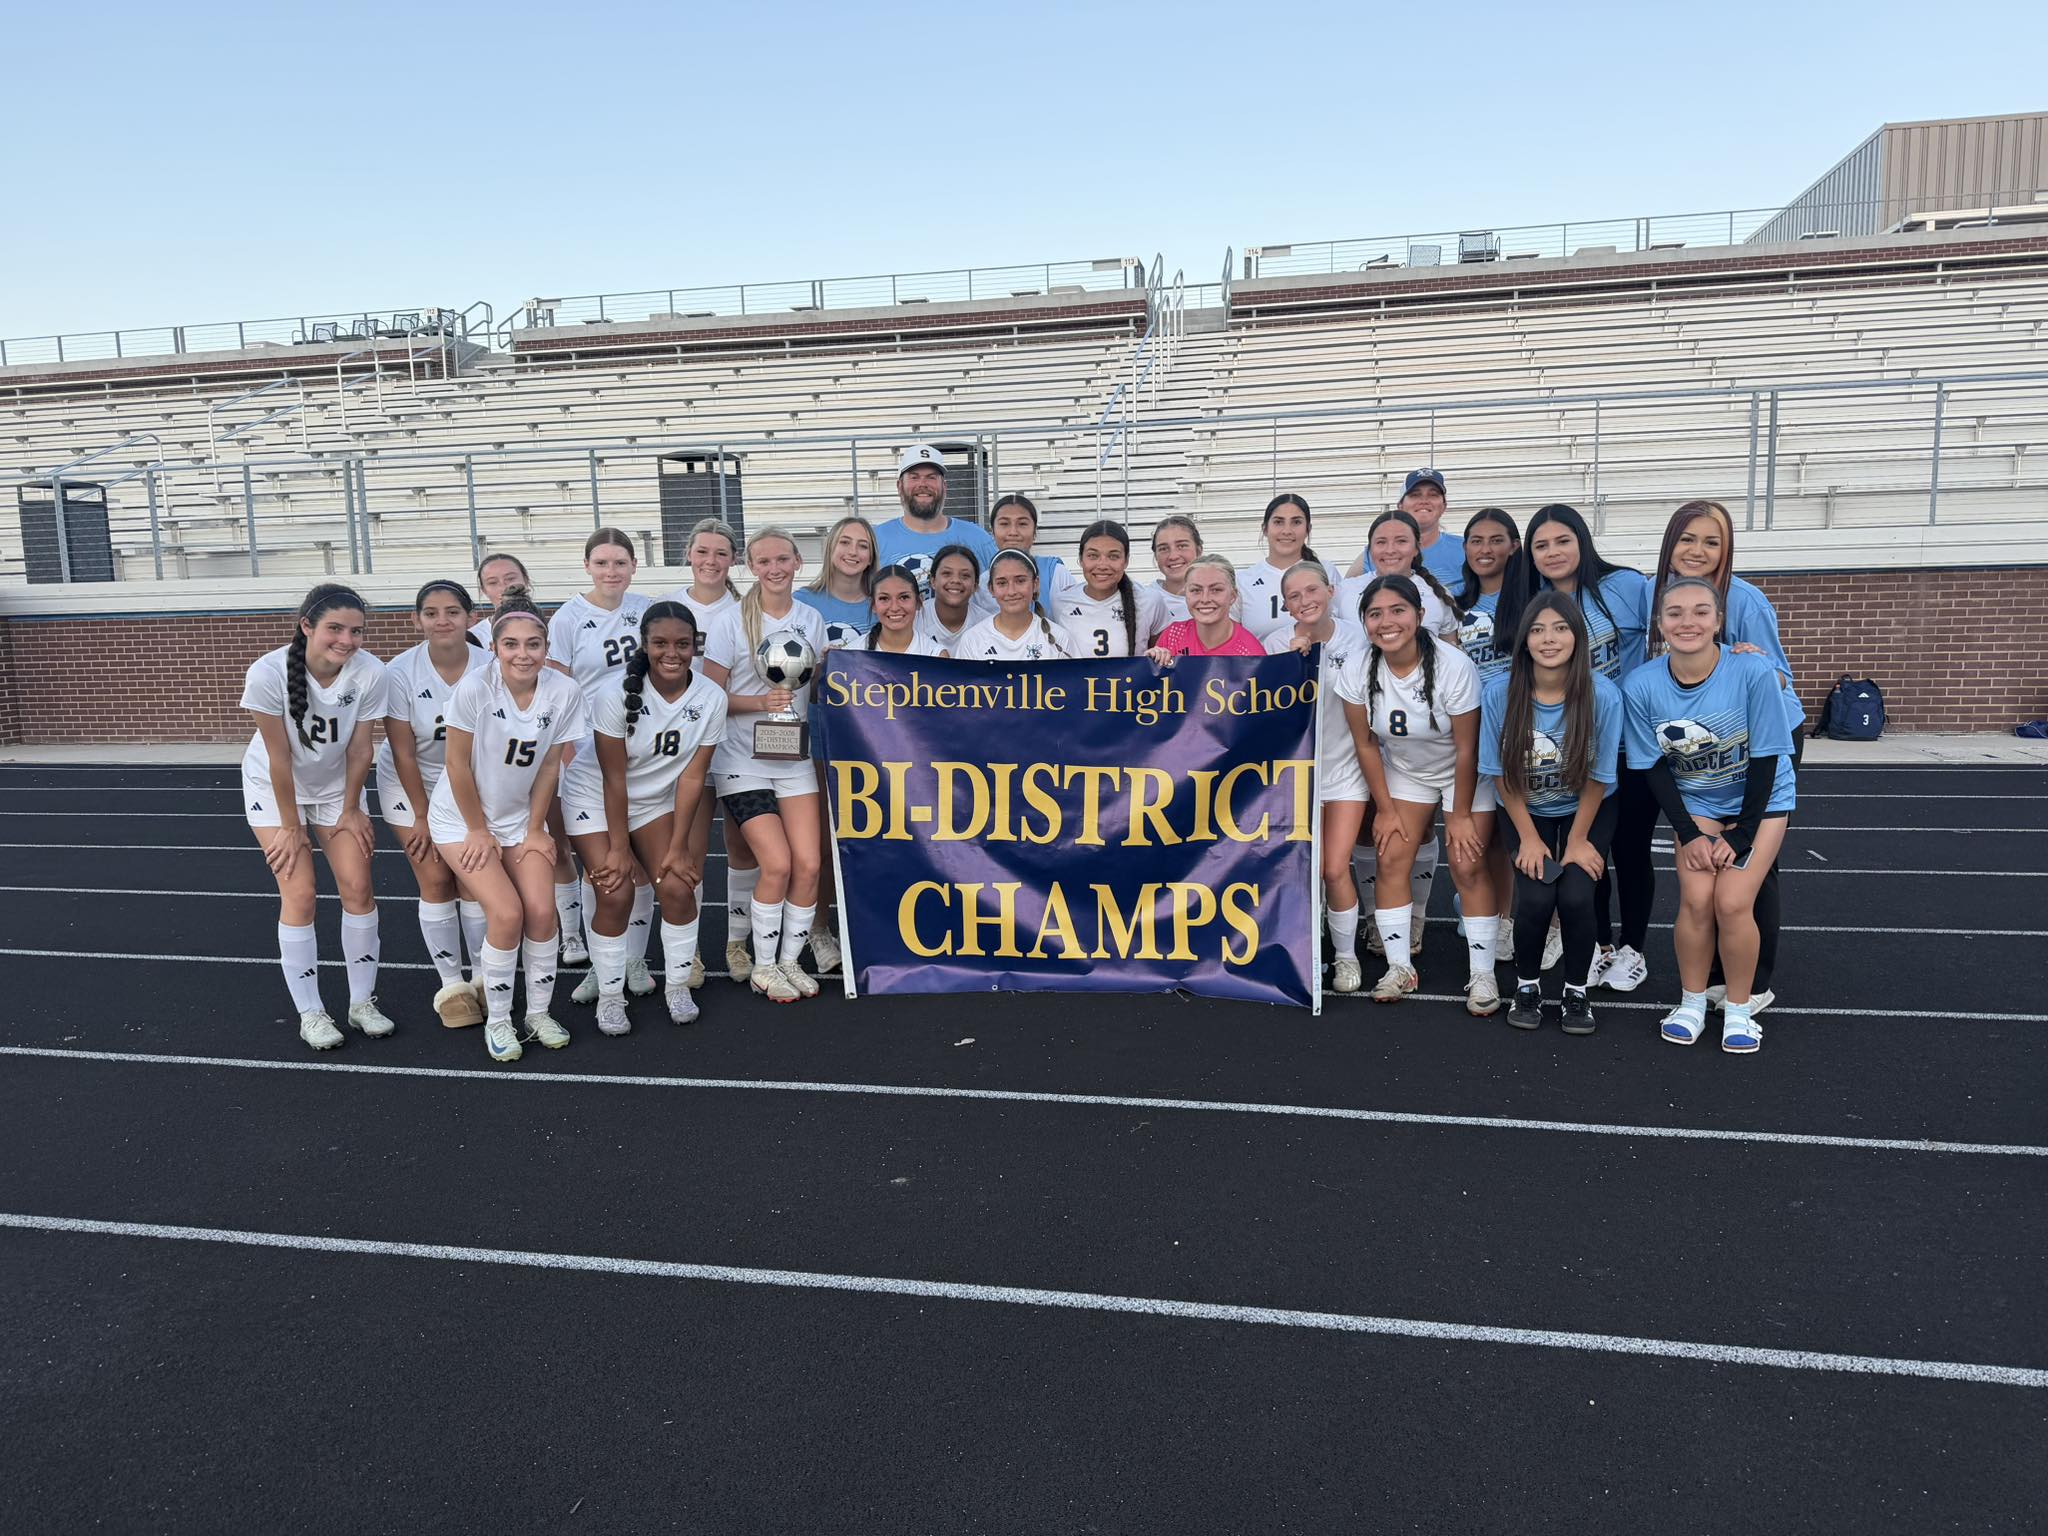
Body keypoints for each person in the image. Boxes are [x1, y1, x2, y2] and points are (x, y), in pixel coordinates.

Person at [1624, 577, 1795, 1054]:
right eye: (1674, 613)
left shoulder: (1752, 672)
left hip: (1760, 802)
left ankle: (1739, 1008)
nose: (1687, 622)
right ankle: (1692, 1002)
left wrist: (1742, 832)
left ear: (1719, 620)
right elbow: (1653, 766)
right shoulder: (1642, 684)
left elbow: (1766, 757)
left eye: (1701, 611)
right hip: (1698, 801)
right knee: (1697, 900)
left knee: (1733, 902)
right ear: (1659, 624)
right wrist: (1687, 832)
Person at [1654, 499, 1804, 1012]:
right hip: (1694, 738)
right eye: (1688, 538)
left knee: (1750, 863)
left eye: (1711, 541)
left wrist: (1746, 663)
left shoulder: (1745, 600)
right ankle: (1713, 972)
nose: (1697, 550)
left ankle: (1753, 983)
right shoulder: (1658, 594)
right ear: (1670, 542)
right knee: (1704, 876)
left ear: (1726, 549)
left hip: (1763, 736)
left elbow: (1780, 675)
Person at [1497, 504, 1653, 994]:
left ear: (1582, 540)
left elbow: (1683, 622)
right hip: (1565, 740)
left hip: (1626, 737)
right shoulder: (1535, 602)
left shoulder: (1627, 587)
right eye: (1541, 545)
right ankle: (1598, 946)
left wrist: (1734, 650)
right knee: (1587, 856)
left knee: (1626, 849)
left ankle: (1633, 948)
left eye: (1562, 540)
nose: (1553, 552)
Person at [428, 595, 590, 1063]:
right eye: (512, 644)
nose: (524, 654)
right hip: (462, 818)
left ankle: (537, 1013)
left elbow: (549, 766)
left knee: (542, 913)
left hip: (520, 817)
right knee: (506, 914)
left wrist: (538, 827)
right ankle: (498, 1019)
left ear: (546, 647)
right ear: (495, 647)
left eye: (534, 644)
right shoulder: (476, 688)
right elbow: (456, 765)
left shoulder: (563, 691)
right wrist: (478, 831)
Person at [1335, 575, 1498, 1011]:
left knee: (1467, 863)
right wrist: (1384, 808)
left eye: (1397, 610)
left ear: (1420, 616)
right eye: (1375, 613)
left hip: (1463, 772)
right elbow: (1366, 744)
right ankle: (1399, 966)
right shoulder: (1357, 667)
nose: (1387, 622)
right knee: (1390, 856)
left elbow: (1467, 747)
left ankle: (1483, 974)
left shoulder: (1452, 664)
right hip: (1407, 771)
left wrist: (1460, 812)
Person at [240, 584, 391, 1051]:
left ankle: (362, 1002)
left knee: (358, 887)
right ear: (306, 626)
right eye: (335, 629)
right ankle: (311, 1012)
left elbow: (363, 748)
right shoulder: (267, 673)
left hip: (333, 790)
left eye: (356, 631)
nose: (346, 640)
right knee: (301, 892)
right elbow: (280, 757)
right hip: (275, 788)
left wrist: (350, 809)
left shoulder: (370, 672)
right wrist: (292, 827)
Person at [565, 601, 727, 1033]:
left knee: (677, 887)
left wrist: (679, 847)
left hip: (655, 801)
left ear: (697, 646)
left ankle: (677, 986)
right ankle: (611, 995)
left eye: (682, 644)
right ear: (645, 645)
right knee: (615, 892)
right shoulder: (614, 695)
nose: (671, 653)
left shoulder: (711, 697)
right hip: (594, 797)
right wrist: (620, 848)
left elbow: (693, 777)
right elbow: (612, 779)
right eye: (660, 643)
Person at [1480, 591, 1621, 1034]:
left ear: (1577, 637)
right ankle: (1527, 986)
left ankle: (1576, 992)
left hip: (1586, 805)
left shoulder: (1603, 695)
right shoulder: (1500, 692)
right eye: (1537, 630)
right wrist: (1528, 837)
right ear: (1524, 641)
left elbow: (1598, 777)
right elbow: (1501, 775)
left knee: (1578, 896)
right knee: (1537, 898)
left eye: (1560, 628)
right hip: (1525, 806)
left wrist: (1578, 840)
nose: (1549, 638)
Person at [702, 526, 831, 1003]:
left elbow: (811, 685)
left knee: (810, 864)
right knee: (775, 863)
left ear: (798, 562)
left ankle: (789, 961)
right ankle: (762, 965)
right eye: (763, 561)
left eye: (783, 559)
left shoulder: (811, 620)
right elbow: (709, 694)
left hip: (791, 756)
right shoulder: (729, 622)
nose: (774, 568)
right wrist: (757, 704)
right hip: (741, 759)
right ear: (750, 568)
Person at [376, 579, 495, 1028]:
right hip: (413, 783)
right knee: (435, 877)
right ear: (416, 620)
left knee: (473, 879)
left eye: (452, 611)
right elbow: (404, 751)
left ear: (470, 618)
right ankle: (452, 986)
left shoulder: (491, 665)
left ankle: (484, 977)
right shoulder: (400, 672)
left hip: (471, 782)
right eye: (431, 612)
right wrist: (423, 815)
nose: (442, 620)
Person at [549, 528, 655, 995]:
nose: (611, 572)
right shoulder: (568, 618)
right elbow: (557, 693)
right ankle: (602, 962)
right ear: (587, 566)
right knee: (604, 871)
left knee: (644, 867)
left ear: (634, 566)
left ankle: (634, 960)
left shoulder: (647, 610)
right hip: (591, 759)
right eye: (602, 563)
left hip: (647, 756)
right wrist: (571, 757)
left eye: (620, 563)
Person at [1266, 562, 1372, 992]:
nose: (1305, 600)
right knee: (1294, 870)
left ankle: (1346, 958)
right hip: (1294, 774)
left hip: (1345, 770)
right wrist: (1292, 660)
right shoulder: (1274, 643)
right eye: (1294, 596)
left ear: (1330, 590)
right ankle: (1306, 942)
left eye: (1313, 590)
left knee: (1332, 867)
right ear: (1285, 603)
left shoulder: (1359, 638)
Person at [659, 515, 742, 985]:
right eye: (703, 551)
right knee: (686, 848)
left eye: (722, 553)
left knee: (740, 846)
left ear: (734, 560)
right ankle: (686, 953)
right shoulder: (664, 608)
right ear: (688, 554)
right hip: (678, 748)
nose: (711, 561)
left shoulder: (747, 609)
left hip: (732, 743)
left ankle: (736, 942)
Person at [873, 443, 1000, 597]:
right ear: (899, 486)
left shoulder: (977, 539)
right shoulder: (875, 540)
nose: (923, 484)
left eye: (931, 477)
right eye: (914, 477)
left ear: (944, 486)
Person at [1336, 510, 1461, 641]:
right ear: (1370, 550)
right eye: (1381, 542)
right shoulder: (1344, 591)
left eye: (1401, 541)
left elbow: (1450, 651)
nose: (1390, 550)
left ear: (1416, 548)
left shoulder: (1438, 596)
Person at [1058, 519, 1168, 657]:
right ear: (1081, 559)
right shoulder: (1060, 602)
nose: (1103, 565)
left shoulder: (1149, 600)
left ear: (1126, 560)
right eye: (1093, 555)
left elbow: (1161, 654)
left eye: (1113, 556)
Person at [1344, 469, 1468, 587]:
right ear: (1400, 506)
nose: (1424, 500)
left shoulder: (1465, 550)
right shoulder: (1374, 553)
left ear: (1443, 507)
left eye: (1433, 495)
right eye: (1415, 495)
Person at [1240, 494, 1337, 645]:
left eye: (1296, 522)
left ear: (1308, 529)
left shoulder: (1326, 571)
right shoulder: (1243, 581)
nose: (1287, 530)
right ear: (1265, 529)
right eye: (1278, 522)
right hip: (1265, 667)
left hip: (1320, 666)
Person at [960, 549, 1076, 660]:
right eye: (1002, 583)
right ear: (991, 589)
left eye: (1020, 581)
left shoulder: (1060, 637)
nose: (1011, 591)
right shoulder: (972, 640)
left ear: (1035, 584)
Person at [1147, 555, 1267, 660]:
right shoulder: (1173, 636)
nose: (1205, 599)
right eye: (1196, 590)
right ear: (1186, 594)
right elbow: (1154, 682)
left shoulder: (1250, 652)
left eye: (1216, 590)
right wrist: (1150, 662)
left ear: (1233, 596)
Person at [1452, 508, 1522, 685]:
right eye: (1476, 541)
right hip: (1471, 708)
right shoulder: (1453, 601)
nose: (1485, 550)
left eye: (1496, 541)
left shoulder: (1534, 597)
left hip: (1521, 705)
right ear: (1465, 547)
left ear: (1514, 546)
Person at [797, 515, 879, 649]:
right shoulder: (802, 602)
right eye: (845, 542)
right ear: (830, 548)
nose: (853, 552)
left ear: (871, 558)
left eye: (863, 546)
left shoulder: (882, 607)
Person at [986, 493, 1078, 609]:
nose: (1013, 532)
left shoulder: (1055, 573)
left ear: (1034, 531)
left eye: (1022, 524)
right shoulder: (983, 581)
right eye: (1004, 524)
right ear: (992, 532)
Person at [866, 565, 951, 655]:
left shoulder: (935, 654)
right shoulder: (853, 652)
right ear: (873, 605)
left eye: (904, 597)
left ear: (918, 601)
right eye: (884, 598)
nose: (894, 608)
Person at [914, 545, 984, 654]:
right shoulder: (914, 620)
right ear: (932, 581)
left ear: (975, 586)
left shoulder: (986, 624)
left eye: (965, 575)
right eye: (946, 573)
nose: (956, 580)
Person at [471, 551, 533, 644]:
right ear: (483, 590)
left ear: (526, 580)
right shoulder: (474, 639)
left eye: (510, 578)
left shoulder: (550, 630)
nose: (503, 587)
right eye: (493, 582)